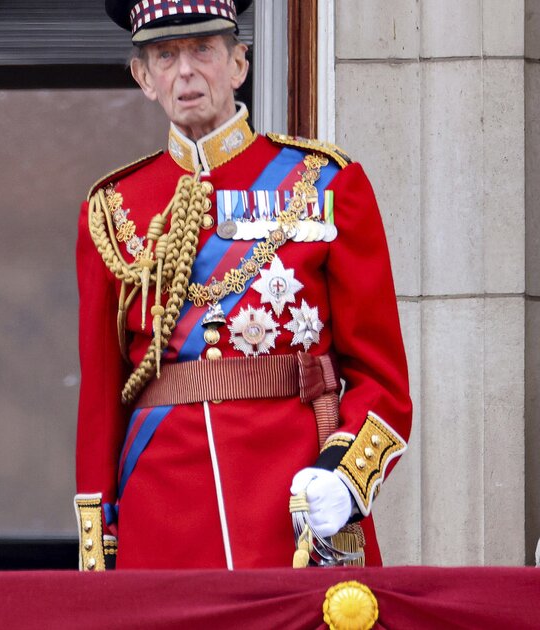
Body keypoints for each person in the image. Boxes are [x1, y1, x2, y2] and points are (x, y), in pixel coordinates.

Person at [74, 0, 411, 570]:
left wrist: (346, 478)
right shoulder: (111, 210)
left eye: (203, 49)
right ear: (143, 77)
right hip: (162, 519)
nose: (185, 71)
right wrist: (98, 548)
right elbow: (101, 404)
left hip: (294, 507)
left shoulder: (325, 183)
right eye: (165, 56)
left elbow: (382, 379)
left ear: (238, 64)